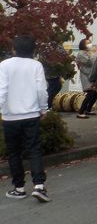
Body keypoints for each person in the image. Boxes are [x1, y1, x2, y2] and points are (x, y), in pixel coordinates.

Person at [0, 35, 51, 202]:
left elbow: (2, 90)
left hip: (10, 116)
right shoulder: (36, 65)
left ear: (14, 49)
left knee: (14, 152)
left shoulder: (4, 65)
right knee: (34, 149)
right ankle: (39, 186)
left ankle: (19, 188)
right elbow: (41, 90)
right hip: (31, 115)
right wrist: (43, 108)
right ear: (33, 50)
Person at [75, 38, 97, 119]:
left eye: (90, 43)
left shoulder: (87, 52)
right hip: (86, 75)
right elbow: (90, 62)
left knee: (96, 92)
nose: (90, 44)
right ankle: (80, 112)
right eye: (88, 43)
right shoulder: (81, 53)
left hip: (90, 75)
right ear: (83, 45)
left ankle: (88, 109)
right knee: (91, 92)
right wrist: (95, 53)